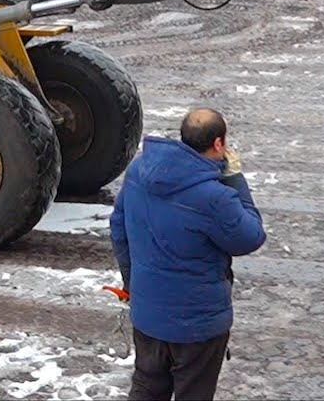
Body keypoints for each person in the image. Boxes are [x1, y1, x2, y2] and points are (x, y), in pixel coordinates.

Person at [109, 107, 267, 401]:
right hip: (197, 326)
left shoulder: (139, 171)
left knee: (146, 388)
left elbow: (119, 229)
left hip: (148, 316)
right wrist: (235, 178)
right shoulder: (213, 196)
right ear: (219, 144)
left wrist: (133, 285)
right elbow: (251, 237)